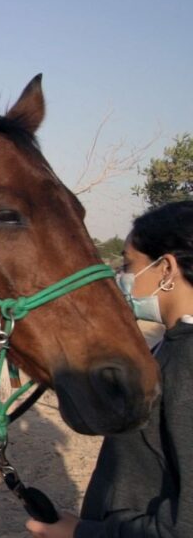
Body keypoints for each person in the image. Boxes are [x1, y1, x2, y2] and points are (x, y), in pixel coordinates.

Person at [26, 200, 193, 538]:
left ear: (166, 269)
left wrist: (83, 533)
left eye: (129, 265)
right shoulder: (172, 343)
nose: (122, 278)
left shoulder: (189, 360)